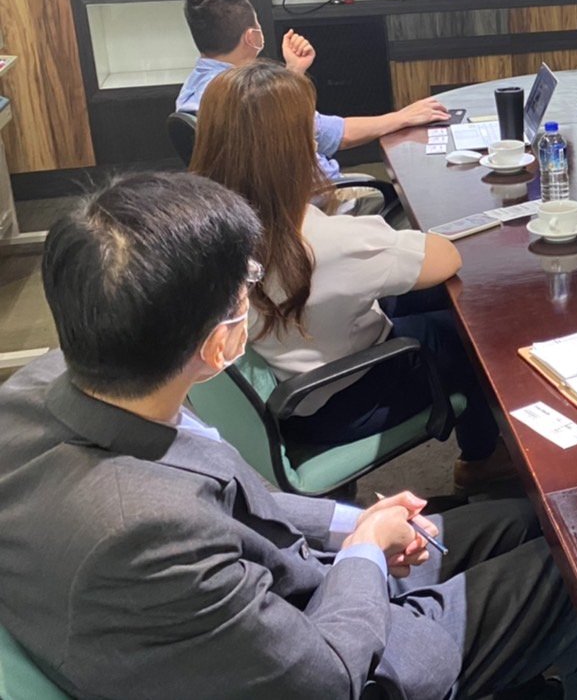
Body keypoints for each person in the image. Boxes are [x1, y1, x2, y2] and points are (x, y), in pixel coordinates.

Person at [0, 171, 577, 699]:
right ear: (217, 344)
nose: (252, 292)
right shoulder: (147, 533)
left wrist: (357, 525)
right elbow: (328, 677)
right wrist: (366, 551)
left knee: (535, 521)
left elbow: (240, 506)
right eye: (246, 283)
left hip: (294, 588)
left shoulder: (37, 390)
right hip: (344, 656)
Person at [190, 60, 505, 492]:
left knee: (428, 299)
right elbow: (446, 258)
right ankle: (482, 460)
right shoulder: (324, 242)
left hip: (289, 373)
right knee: (468, 331)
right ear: (291, 152)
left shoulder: (203, 230)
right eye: (309, 134)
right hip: (342, 396)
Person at [175, 0, 446, 188]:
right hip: (320, 200)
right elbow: (334, 135)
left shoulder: (193, 92)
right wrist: (402, 117)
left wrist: (293, 71)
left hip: (268, 209)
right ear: (251, 37)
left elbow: (275, 123)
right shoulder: (249, 93)